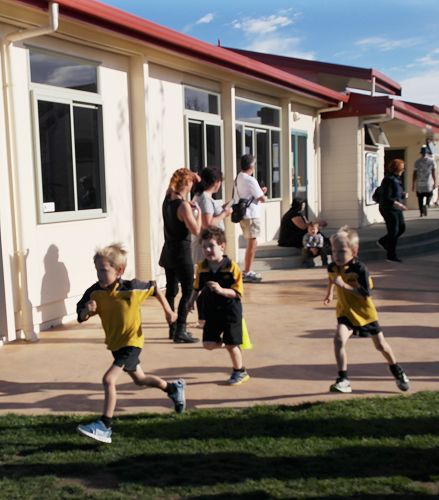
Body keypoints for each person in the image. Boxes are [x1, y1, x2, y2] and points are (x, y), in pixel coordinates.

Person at [76, 243, 185, 444]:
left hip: (132, 342)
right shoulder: (94, 292)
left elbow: (154, 288)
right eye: (97, 270)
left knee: (108, 379)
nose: (99, 275)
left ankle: (105, 426)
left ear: (119, 271)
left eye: (104, 270)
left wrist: (169, 311)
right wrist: (86, 311)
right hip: (116, 345)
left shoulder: (132, 288)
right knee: (140, 379)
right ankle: (173, 389)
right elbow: (80, 315)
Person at [323, 226, 410, 394]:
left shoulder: (360, 269)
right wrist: (330, 293)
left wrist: (344, 285)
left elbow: (365, 294)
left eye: (342, 251)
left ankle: (396, 370)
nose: (336, 255)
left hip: (365, 314)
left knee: (381, 346)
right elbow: (331, 278)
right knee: (339, 340)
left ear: (354, 251)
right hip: (345, 312)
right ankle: (343, 379)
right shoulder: (332, 266)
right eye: (334, 251)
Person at [187, 227, 250, 385]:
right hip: (212, 311)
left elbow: (238, 293)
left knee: (231, 345)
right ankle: (230, 343)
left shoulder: (231, 266)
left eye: (211, 246)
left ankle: (239, 371)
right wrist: (191, 301)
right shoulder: (202, 267)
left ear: (222, 246)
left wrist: (221, 290)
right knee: (208, 344)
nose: (207, 250)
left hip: (230, 312)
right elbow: (197, 287)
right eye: (204, 247)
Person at [159, 168, 201, 343]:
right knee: (188, 290)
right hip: (182, 253)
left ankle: (172, 328)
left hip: (168, 250)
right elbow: (196, 230)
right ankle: (181, 330)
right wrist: (197, 213)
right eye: (191, 182)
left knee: (171, 290)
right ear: (188, 183)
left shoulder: (167, 199)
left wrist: (190, 175)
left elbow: (172, 189)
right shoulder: (184, 207)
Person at [235, 154, 267, 283]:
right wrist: (263, 192)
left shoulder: (239, 177)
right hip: (252, 215)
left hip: (244, 215)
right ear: (251, 166)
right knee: (252, 244)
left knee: (250, 242)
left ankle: (247, 270)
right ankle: (247, 271)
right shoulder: (250, 179)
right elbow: (262, 198)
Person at [377, 158, 407, 263]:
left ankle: (383, 241)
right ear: (396, 169)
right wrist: (398, 204)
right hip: (388, 208)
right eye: (402, 168)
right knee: (393, 231)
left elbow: (397, 192)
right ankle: (391, 255)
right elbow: (386, 196)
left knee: (401, 228)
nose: (403, 170)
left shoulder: (397, 179)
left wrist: (403, 195)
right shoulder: (388, 180)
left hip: (396, 208)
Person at [412, 145, 436, 217]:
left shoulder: (417, 162)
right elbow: (433, 173)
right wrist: (435, 182)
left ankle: (421, 212)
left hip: (419, 183)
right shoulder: (431, 161)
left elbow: (414, 173)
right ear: (427, 153)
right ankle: (427, 204)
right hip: (428, 183)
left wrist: (413, 184)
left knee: (420, 198)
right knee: (430, 194)